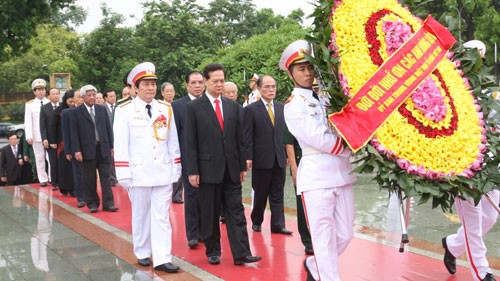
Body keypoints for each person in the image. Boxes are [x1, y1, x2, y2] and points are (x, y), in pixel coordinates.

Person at [281, 40, 356, 281]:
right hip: (317, 177)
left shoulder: (325, 99)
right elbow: (319, 139)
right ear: (291, 73)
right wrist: (352, 145)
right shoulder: (293, 106)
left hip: (342, 173)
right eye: (301, 69)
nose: (307, 73)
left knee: (345, 234)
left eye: (310, 68)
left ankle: (315, 264)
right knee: (322, 239)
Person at [184, 63, 261, 266]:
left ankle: (241, 252)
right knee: (209, 213)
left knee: (236, 211)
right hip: (207, 169)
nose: (219, 84)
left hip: (231, 169)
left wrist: (242, 166)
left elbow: (239, 138)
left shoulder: (232, 107)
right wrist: (192, 170)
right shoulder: (193, 108)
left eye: (222, 80)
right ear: (206, 81)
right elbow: (189, 141)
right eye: (215, 81)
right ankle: (213, 250)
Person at [114, 62, 180, 273]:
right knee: (141, 214)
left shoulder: (165, 108)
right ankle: (142, 251)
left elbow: (173, 142)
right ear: (135, 88)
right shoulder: (124, 110)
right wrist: (123, 173)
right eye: (146, 84)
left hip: (162, 170)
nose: (150, 88)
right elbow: (121, 144)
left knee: (161, 215)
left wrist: (176, 167)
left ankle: (162, 257)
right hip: (138, 172)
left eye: (153, 84)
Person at [441, 40, 498, 281]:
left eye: (479, 60)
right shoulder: (450, 91)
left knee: (490, 217)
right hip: (462, 166)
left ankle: (452, 245)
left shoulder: (491, 92)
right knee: (473, 221)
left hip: (491, 167)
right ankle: (482, 272)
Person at [244, 75, 291, 235]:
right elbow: (247, 135)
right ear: (259, 88)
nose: (271, 90)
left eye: (273, 86)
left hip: (279, 157)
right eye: (267, 87)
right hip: (261, 158)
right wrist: (248, 156)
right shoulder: (251, 109)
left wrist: (287, 154)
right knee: (261, 193)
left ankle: (278, 224)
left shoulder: (281, 108)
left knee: (278, 193)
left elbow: (285, 133)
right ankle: (257, 220)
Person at [70, 84, 118, 213]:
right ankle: (92, 203)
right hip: (86, 150)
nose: (92, 97)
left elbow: (108, 129)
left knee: (106, 177)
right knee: (89, 178)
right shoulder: (76, 112)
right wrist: (76, 150)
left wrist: (111, 146)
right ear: (83, 97)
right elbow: (73, 133)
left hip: (103, 148)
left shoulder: (101, 109)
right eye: (89, 95)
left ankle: (109, 203)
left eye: (93, 95)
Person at [171, 70, 205, 249]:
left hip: (208, 158)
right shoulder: (177, 106)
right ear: (187, 85)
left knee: (207, 198)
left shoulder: (209, 102)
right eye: (194, 82)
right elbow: (175, 134)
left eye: (200, 82)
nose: (198, 86)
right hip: (188, 158)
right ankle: (193, 234)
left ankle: (205, 232)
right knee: (191, 197)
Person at [283, 124, 313, 254]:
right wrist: (294, 168)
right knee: (302, 203)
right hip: (301, 162)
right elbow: (289, 144)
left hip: (318, 163)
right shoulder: (293, 108)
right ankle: (307, 240)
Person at [24, 78, 50, 186]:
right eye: (38, 90)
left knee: (51, 158)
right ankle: (43, 179)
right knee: (39, 158)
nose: (41, 91)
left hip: (49, 136)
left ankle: (52, 177)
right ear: (34, 92)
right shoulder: (30, 104)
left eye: (43, 89)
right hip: (37, 135)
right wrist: (29, 136)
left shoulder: (49, 102)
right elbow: (28, 121)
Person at [62, 89, 86, 207]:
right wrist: (68, 150)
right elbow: (66, 133)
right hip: (75, 148)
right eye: (78, 97)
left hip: (89, 147)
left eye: (83, 97)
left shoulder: (91, 110)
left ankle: (90, 195)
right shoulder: (67, 113)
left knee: (89, 174)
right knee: (78, 173)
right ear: (73, 99)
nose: (81, 99)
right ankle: (81, 197)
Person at [50, 90, 76, 196]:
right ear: (65, 100)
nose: (72, 104)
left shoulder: (76, 109)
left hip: (74, 141)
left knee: (74, 166)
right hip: (62, 143)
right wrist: (53, 141)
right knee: (64, 166)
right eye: (70, 101)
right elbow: (53, 126)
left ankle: (74, 188)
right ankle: (65, 187)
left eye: (73, 101)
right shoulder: (59, 111)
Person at [161, 82, 183, 203]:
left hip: (177, 140)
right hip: (164, 141)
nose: (170, 93)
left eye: (171, 91)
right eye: (167, 91)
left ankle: (177, 194)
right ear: (162, 93)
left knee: (178, 167)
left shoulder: (178, 105)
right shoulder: (160, 107)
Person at [40, 87, 60, 190]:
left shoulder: (63, 107)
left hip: (62, 140)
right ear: (49, 96)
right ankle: (55, 182)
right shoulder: (44, 108)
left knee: (63, 161)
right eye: (53, 94)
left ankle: (64, 182)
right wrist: (45, 139)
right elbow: (42, 125)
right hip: (50, 139)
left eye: (57, 94)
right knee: (53, 162)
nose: (55, 95)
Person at [103, 89, 118, 186]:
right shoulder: (102, 108)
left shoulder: (119, 107)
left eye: (114, 96)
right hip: (108, 136)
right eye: (111, 96)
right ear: (105, 98)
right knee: (110, 158)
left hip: (118, 135)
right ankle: (112, 178)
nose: (113, 98)